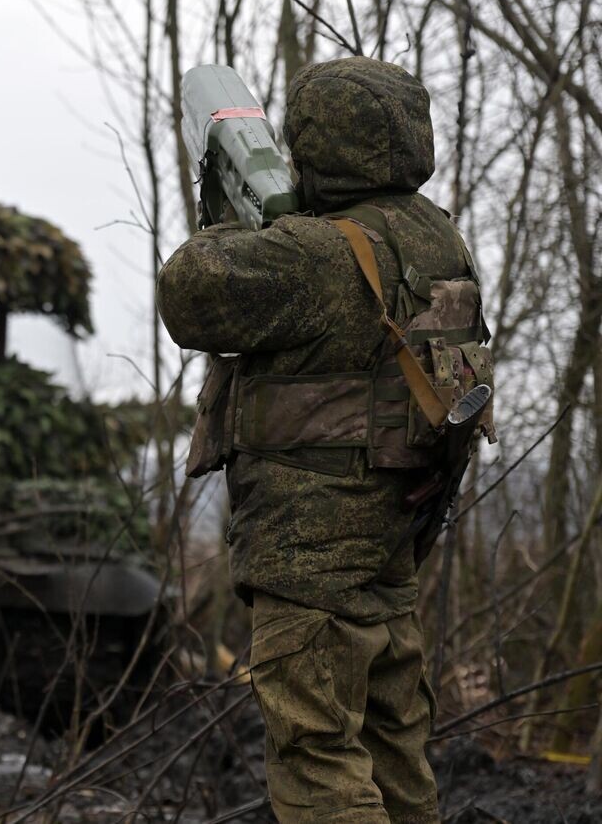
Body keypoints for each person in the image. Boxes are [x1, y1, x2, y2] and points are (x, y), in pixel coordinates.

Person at [156, 56, 494, 823]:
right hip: (391, 548)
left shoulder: (313, 253)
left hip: (309, 563)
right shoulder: (442, 243)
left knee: (319, 763)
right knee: (396, 758)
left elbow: (189, 289)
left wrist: (244, 206)